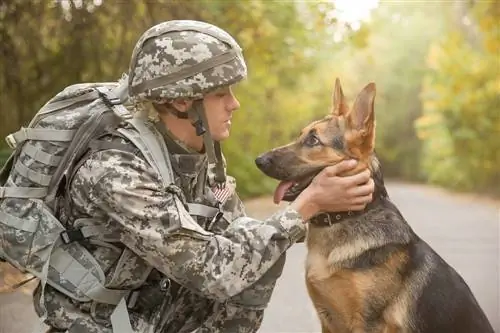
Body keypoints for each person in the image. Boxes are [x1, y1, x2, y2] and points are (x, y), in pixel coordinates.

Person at [35, 20, 374, 333]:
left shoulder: (195, 157)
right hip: (101, 326)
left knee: (260, 249)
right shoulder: (116, 173)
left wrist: (332, 201)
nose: (234, 104)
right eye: (221, 93)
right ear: (183, 101)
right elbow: (213, 271)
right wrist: (308, 204)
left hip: (152, 316)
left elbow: (241, 235)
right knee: (253, 253)